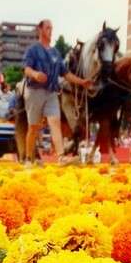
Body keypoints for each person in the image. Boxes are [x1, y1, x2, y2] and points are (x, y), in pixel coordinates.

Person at [22, 19, 93, 167]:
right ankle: (29, 158)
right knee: (33, 127)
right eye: (48, 28)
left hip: (52, 93)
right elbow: (26, 69)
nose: (50, 30)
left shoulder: (55, 52)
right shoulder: (33, 50)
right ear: (39, 30)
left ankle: (61, 157)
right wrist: (35, 74)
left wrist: (82, 82)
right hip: (34, 91)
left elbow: (65, 73)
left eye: (51, 28)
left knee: (55, 123)